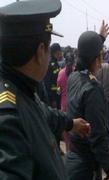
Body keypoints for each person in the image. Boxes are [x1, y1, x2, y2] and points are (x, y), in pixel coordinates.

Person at [0, 0, 90, 179]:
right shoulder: (8, 117)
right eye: (48, 49)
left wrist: (71, 123)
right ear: (41, 51)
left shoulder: (21, 88)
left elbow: (42, 113)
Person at [66, 22, 109, 180]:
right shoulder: (93, 89)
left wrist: (98, 39)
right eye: (100, 56)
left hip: (73, 158)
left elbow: (84, 58)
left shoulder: (73, 77)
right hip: (86, 167)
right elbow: (98, 135)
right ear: (97, 59)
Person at [57, 51, 75, 151]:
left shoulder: (60, 73)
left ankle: (68, 151)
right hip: (74, 104)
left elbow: (58, 89)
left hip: (64, 105)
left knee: (66, 130)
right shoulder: (76, 72)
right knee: (75, 129)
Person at [44, 43, 63, 109]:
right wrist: (53, 99)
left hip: (57, 94)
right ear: (55, 53)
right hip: (53, 96)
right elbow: (48, 84)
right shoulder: (50, 65)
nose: (61, 54)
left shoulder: (56, 64)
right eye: (59, 52)